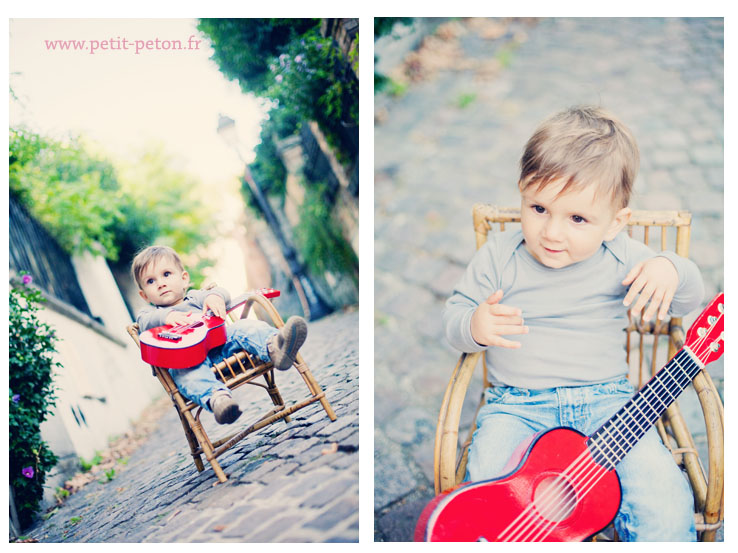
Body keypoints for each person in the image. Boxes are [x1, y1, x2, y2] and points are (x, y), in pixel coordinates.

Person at [442, 106, 704, 541]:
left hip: (612, 409)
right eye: (539, 208)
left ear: (614, 223)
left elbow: (689, 298)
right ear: (521, 194)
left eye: (577, 218)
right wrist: (474, 322)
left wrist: (669, 268)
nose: (552, 233)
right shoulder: (499, 257)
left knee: (664, 501)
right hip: (517, 408)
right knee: (490, 496)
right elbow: (452, 320)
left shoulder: (620, 254)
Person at [132, 245, 307, 425]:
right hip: (189, 363)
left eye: (166, 274)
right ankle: (219, 400)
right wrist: (167, 316)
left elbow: (222, 293)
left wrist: (213, 297)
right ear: (144, 296)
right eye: (150, 281)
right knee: (183, 373)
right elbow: (143, 323)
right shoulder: (149, 315)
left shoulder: (194, 297)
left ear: (184, 279)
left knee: (243, 327)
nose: (160, 283)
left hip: (222, 346)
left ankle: (276, 347)